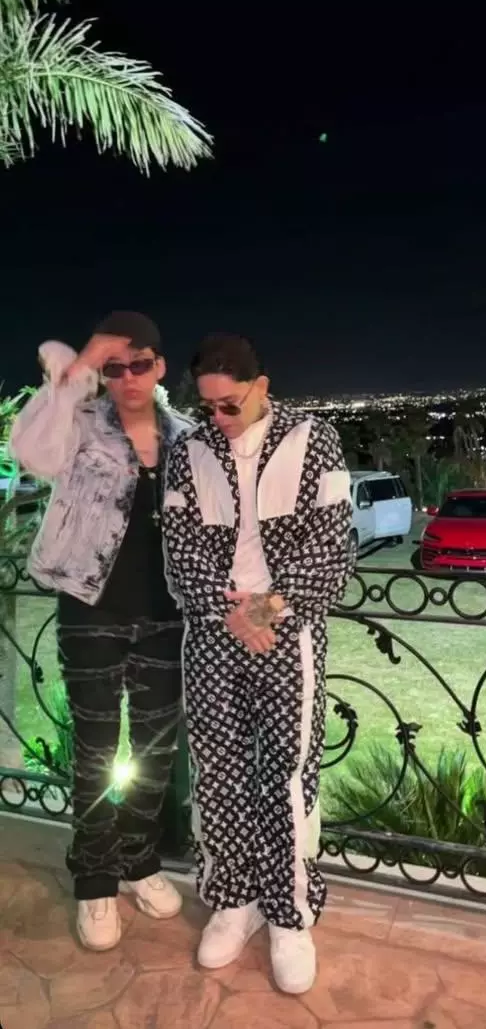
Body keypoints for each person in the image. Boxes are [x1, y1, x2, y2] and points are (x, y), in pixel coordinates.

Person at [162, 333, 354, 995]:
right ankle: (232, 899)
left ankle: (289, 913)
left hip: (288, 632)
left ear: (262, 387)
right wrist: (234, 617)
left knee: (288, 772)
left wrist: (267, 611)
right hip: (215, 632)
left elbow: (332, 549)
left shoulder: (313, 439)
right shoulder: (189, 451)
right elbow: (181, 551)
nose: (218, 418)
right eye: (207, 406)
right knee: (217, 769)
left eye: (230, 405)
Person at [10, 312, 191, 952]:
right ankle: (94, 878)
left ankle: (139, 861)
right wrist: (80, 366)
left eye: (140, 364)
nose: (128, 378)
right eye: (115, 368)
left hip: (168, 616)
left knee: (154, 753)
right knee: (94, 750)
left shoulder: (187, 438)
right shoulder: (80, 423)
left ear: (160, 366)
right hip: (91, 610)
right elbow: (31, 453)